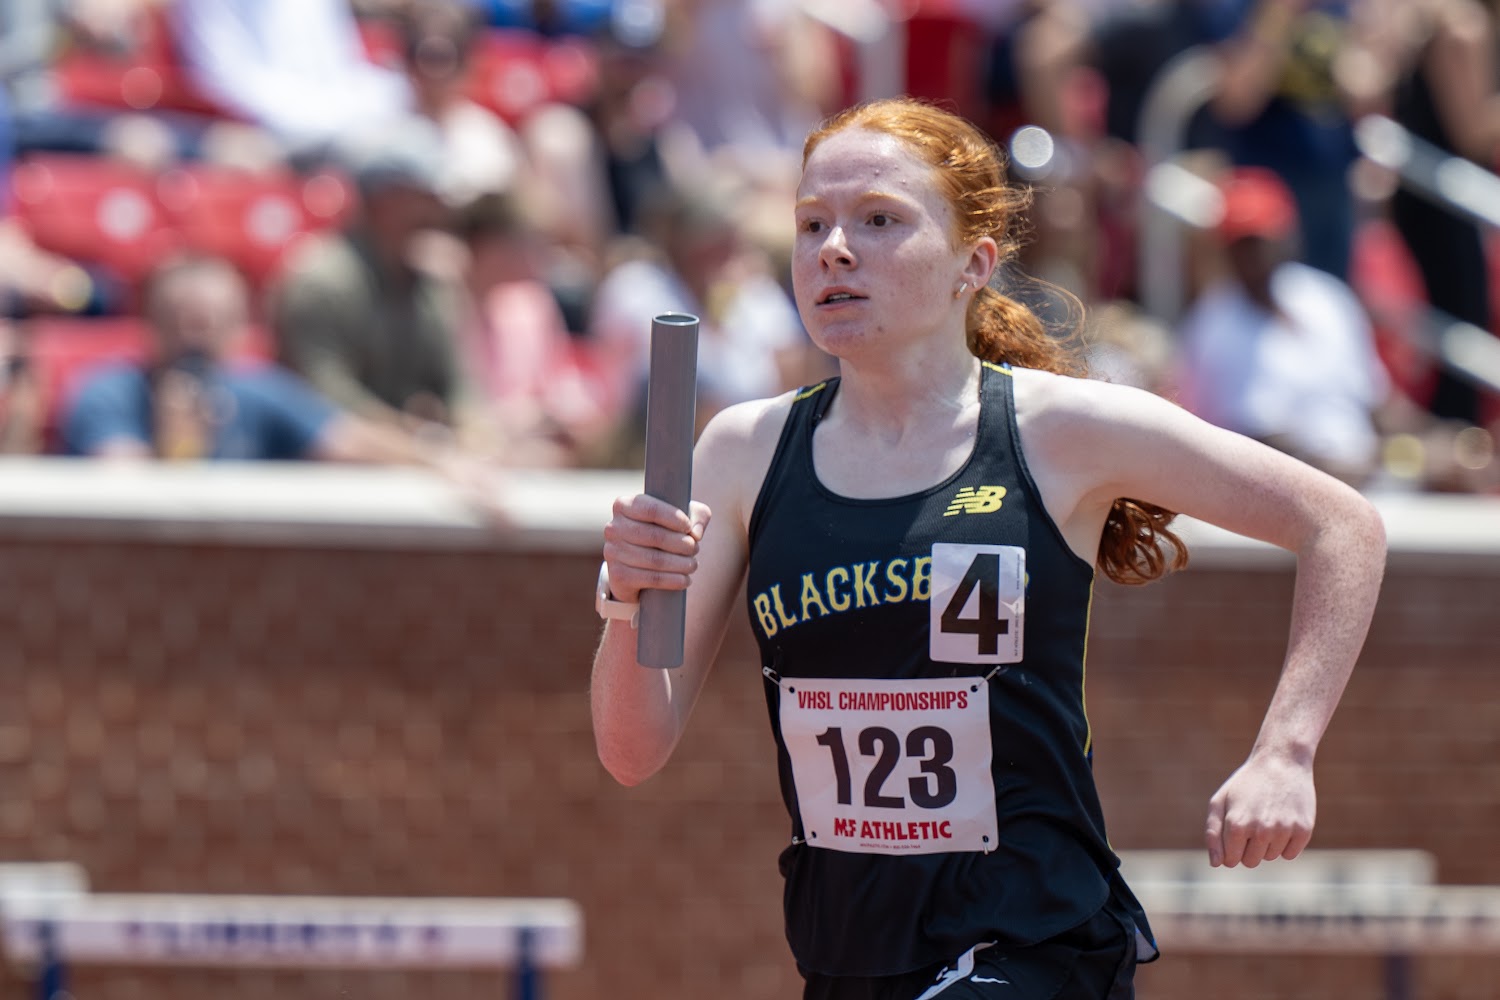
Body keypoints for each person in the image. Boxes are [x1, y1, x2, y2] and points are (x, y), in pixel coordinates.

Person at [590, 97, 1386, 999]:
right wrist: (626, 600)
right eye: (812, 223)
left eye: (880, 220)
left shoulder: (1059, 431)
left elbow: (1341, 524)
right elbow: (631, 751)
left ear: (973, 263)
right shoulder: (743, 451)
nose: (834, 249)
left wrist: (1286, 750)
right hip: (850, 954)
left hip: (1032, 939)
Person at [64, 253, 469, 468]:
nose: (194, 336)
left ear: (236, 328)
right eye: (180, 320)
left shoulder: (258, 391)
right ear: (152, 322)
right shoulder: (110, 393)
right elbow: (120, 493)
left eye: (212, 322)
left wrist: (441, 459)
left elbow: (351, 441)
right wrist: (174, 445)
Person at [1175, 166, 1395, 486]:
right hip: (1279, 492)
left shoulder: (1326, 298)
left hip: (1372, 478)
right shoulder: (1213, 324)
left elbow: (1375, 403)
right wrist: (1347, 470)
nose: (1253, 255)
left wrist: (1432, 447)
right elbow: (1248, 442)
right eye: (1242, 244)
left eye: (1261, 240)